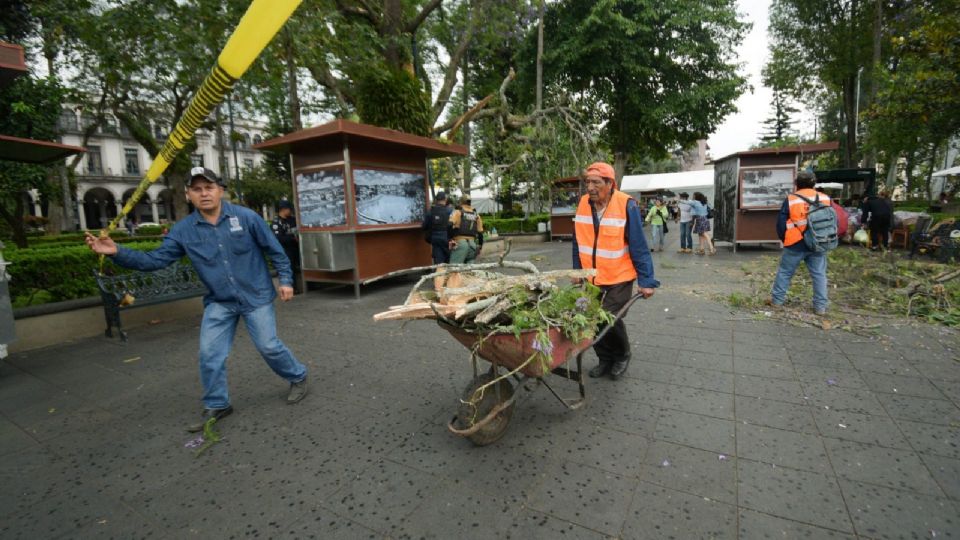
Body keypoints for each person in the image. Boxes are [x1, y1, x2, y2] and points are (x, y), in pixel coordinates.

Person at [84, 167, 308, 432]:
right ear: (188, 194)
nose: (204, 194)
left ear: (220, 190)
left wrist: (285, 280)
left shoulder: (247, 218)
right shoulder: (183, 231)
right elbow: (154, 260)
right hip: (220, 301)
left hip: (255, 295)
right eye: (197, 189)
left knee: (268, 345)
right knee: (209, 354)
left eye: (209, 187)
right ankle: (218, 403)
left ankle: (298, 376)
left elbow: (276, 250)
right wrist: (116, 251)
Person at [572, 162, 658, 380]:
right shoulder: (583, 204)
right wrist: (576, 271)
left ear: (610, 184)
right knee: (590, 318)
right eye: (587, 182)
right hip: (591, 276)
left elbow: (639, 245)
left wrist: (646, 280)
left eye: (596, 182)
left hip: (618, 276)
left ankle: (621, 355)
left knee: (608, 318)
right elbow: (578, 241)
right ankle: (604, 358)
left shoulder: (626, 205)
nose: (590, 187)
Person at [769, 171, 831, 315]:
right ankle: (820, 307)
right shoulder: (825, 198)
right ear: (814, 183)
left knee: (785, 272)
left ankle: (777, 301)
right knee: (819, 274)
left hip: (795, 243)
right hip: (818, 242)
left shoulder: (791, 199)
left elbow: (781, 223)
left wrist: (785, 239)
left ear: (797, 184)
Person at [271, 199, 302, 293]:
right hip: (285, 250)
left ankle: (301, 287)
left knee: (298, 267)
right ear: (283, 209)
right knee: (289, 268)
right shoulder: (277, 223)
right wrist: (292, 238)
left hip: (296, 249)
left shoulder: (292, 220)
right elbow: (278, 238)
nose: (291, 211)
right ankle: (292, 288)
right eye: (289, 209)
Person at [449, 197, 484, 263]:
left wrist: (450, 238)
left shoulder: (457, 212)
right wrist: (480, 247)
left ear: (461, 202)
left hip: (460, 243)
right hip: (472, 245)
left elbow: (449, 225)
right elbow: (480, 233)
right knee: (469, 270)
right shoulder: (476, 215)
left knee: (454, 269)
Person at [422, 191, 452, 264]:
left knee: (438, 261)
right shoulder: (450, 211)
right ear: (445, 199)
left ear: (436, 200)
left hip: (435, 239)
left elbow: (424, 226)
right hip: (447, 239)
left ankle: (439, 273)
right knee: (448, 260)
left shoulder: (430, 211)